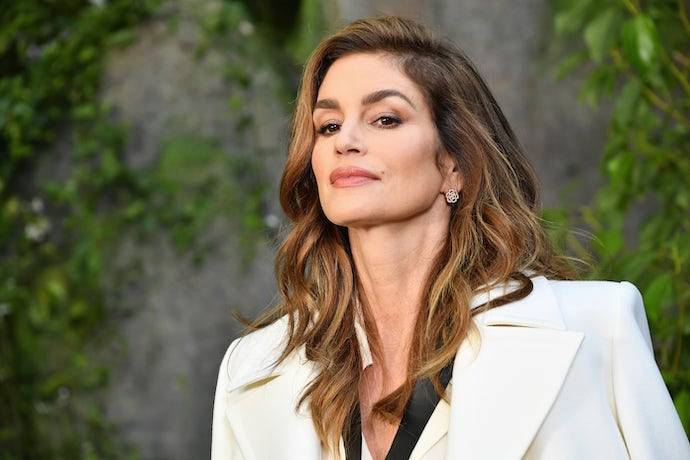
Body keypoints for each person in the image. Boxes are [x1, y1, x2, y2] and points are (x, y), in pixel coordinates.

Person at [211, 15, 690, 460]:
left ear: (454, 164)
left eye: (385, 119)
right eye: (328, 126)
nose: (345, 140)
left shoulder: (598, 328)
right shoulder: (252, 371)